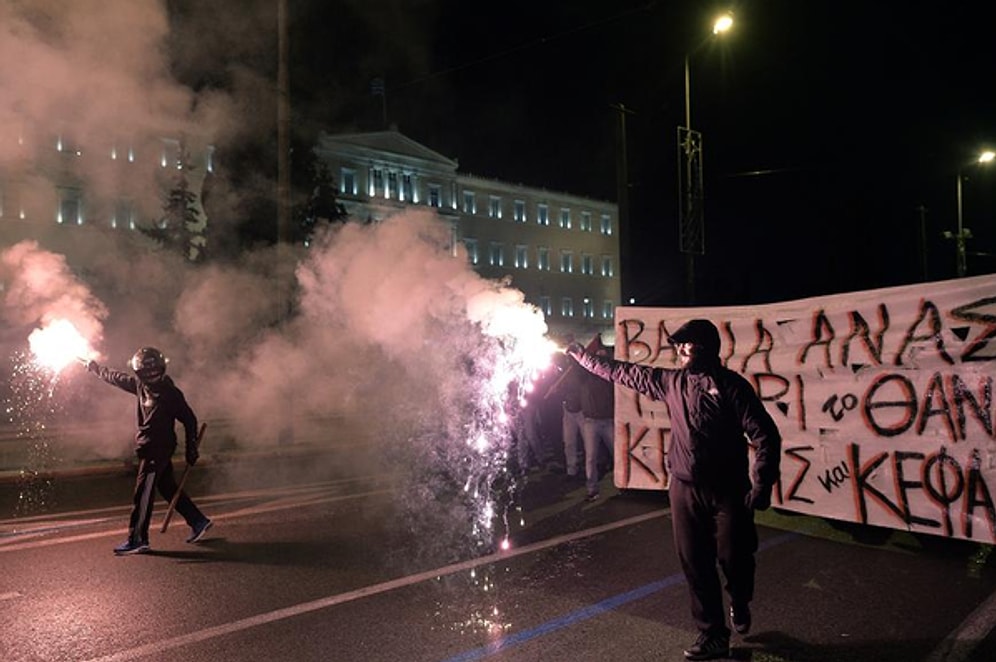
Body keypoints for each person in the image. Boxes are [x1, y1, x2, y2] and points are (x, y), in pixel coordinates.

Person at [567, 319, 781, 660]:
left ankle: (740, 600)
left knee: (734, 558)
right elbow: (623, 372)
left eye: (688, 343)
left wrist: (762, 483)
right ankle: (712, 634)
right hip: (684, 488)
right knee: (695, 562)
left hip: (728, 490)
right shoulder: (671, 381)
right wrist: (583, 358)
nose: (681, 349)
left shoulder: (731, 386)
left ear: (707, 346)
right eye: (678, 344)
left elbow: (765, 435)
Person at [85, 347, 212, 555]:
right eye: (147, 369)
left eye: (155, 368)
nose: (152, 373)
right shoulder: (140, 386)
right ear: (140, 371)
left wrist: (192, 449)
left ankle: (138, 539)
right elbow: (116, 377)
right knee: (168, 486)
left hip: (158, 449)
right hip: (149, 448)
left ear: (162, 368)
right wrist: (96, 368)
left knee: (143, 493)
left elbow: (189, 419)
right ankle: (198, 521)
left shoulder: (171, 393)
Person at [578, 341, 614, 501]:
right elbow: (577, 368)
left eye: (603, 356)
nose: (600, 359)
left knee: (618, 455)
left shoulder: (610, 376)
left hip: (609, 421)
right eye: (597, 356)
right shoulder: (585, 376)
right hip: (591, 422)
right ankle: (592, 489)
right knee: (591, 457)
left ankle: (624, 483)